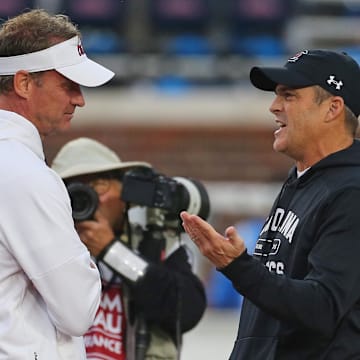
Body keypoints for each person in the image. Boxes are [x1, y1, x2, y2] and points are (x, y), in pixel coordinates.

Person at [180, 49, 360, 359]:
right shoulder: (301, 182)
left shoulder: (351, 192)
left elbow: (323, 306)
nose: (274, 107)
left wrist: (238, 267)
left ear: (332, 109)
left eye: (289, 96)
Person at [0, 9, 114, 359]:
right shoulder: (24, 173)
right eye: (68, 84)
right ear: (23, 83)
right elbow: (78, 310)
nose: (79, 99)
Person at [51, 137, 207, 360]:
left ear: (124, 192)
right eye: (74, 190)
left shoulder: (152, 239)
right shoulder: (43, 247)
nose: (88, 199)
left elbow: (187, 310)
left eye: (98, 186)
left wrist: (111, 251)